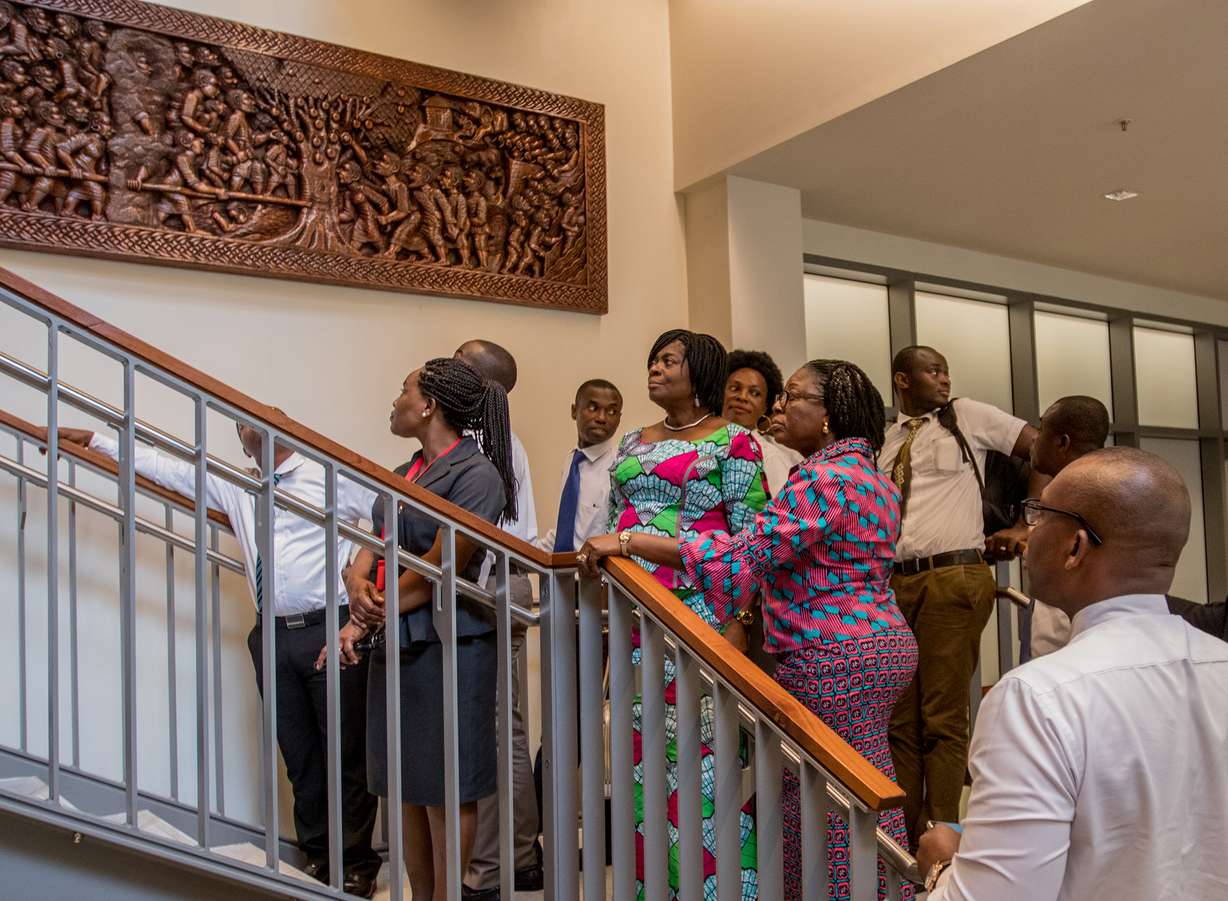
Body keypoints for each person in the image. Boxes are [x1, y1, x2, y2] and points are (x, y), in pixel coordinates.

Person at [580, 359, 918, 901]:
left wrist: (631, 543)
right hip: (882, 645)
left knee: (821, 799)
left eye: (795, 397)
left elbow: (746, 556)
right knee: (862, 786)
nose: (779, 407)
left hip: (832, 651)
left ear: (829, 416)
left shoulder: (824, 478)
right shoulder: (874, 479)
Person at [44, 422, 381, 897]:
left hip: (332, 626)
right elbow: (167, 468)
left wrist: (361, 572)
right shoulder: (236, 483)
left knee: (344, 753)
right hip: (273, 635)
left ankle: (357, 864)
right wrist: (97, 441)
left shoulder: (329, 475)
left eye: (265, 418)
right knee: (299, 756)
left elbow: (391, 516)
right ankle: (319, 857)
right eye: (243, 423)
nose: (255, 427)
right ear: (243, 439)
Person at [915, 447, 1228, 900]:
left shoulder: (1036, 698)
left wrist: (943, 865)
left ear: (1076, 546)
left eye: (1039, 516)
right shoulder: (1218, 662)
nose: (1028, 534)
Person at [320, 358, 516, 901]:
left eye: (403, 389)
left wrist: (367, 612)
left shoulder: (478, 476)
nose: (395, 398)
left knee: (446, 787)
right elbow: (373, 537)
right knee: (404, 785)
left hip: (449, 642)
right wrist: (356, 579)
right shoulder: (407, 469)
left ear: (428, 404)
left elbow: (440, 565)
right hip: (399, 639)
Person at [591, 328, 769, 899]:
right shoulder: (632, 442)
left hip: (699, 615)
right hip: (634, 615)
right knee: (639, 765)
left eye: (670, 360)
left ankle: (710, 887)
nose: (656, 368)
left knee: (697, 759)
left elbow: (751, 541)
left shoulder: (734, 442)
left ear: (700, 374)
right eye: (654, 358)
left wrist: (742, 615)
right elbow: (618, 521)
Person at [879, 345, 1038, 847]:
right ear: (903, 380)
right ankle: (903, 843)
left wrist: (1024, 522)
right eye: (933, 371)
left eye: (946, 369)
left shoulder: (966, 415)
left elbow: (1043, 450)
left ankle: (942, 835)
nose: (944, 379)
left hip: (954, 575)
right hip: (895, 583)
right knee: (900, 717)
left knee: (942, 715)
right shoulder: (885, 441)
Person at [452, 339, 542, 899]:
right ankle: (520, 855)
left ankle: (492, 868)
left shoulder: (479, 445)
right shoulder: (502, 440)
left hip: (487, 583)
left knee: (492, 733)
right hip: (498, 583)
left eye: (456, 361)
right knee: (501, 729)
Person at [1026, 395, 1111, 657]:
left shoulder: (1072, 493)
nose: (1033, 439)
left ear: (1062, 442)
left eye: (1040, 431)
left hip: (1065, 620)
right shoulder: (1113, 481)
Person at [722, 348, 802, 496]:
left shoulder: (773, 457)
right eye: (735, 388)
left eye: (754, 393)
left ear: (765, 406)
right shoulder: (700, 443)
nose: (742, 397)